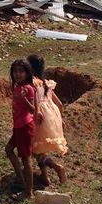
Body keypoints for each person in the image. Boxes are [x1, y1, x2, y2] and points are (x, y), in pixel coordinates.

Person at [28, 54, 68, 185]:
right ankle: (45, 177)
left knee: (35, 148)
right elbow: (60, 104)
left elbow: (33, 102)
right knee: (40, 149)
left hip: (39, 115)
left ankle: (57, 167)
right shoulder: (47, 84)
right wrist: (59, 120)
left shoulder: (32, 83)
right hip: (52, 116)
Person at [6, 59, 37, 200]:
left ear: (26, 73)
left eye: (21, 71)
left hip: (25, 127)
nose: (18, 74)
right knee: (8, 150)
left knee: (26, 159)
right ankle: (21, 179)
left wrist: (24, 99)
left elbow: (32, 109)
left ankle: (28, 192)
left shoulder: (28, 88)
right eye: (15, 71)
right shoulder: (18, 86)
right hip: (18, 126)